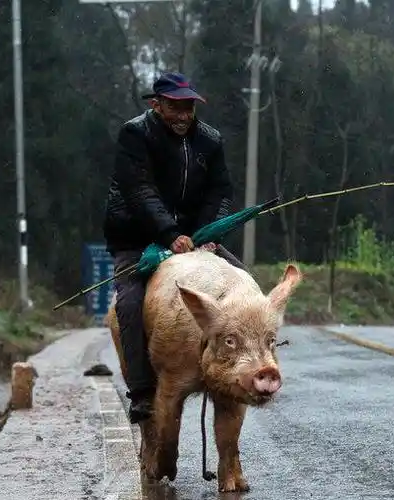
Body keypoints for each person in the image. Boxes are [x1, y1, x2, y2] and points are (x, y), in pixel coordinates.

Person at [103, 72, 247, 423]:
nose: (183, 116)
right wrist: (169, 235)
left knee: (243, 283)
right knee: (131, 301)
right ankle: (140, 390)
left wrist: (208, 234)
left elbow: (220, 191)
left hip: (194, 239)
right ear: (156, 104)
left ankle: (245, 368)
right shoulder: (135, 134)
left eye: (188, 108)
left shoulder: (210, 140)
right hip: (138, 238)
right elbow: (139, 191)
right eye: (175, 108)